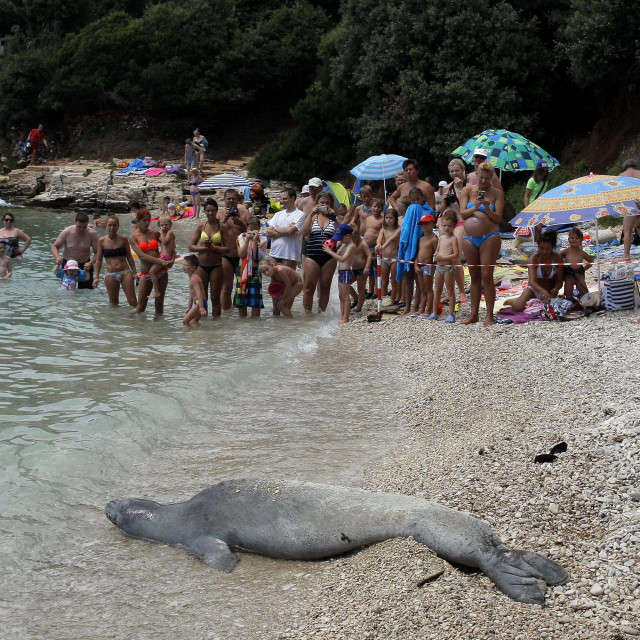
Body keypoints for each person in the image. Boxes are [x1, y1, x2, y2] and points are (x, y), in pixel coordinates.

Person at [459, 162, 505, 325]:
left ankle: (489, 315)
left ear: (491, 177)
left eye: (487, 177)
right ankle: (474, 313)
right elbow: (463, 214)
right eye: (481, 177)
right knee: (474, 277)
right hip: (469, 238)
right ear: (476, 175)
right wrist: (476, 207)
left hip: (489, 236)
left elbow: (498, 218)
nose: (484, 180)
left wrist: (487, 207)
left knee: (487, 275)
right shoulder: (467, 190)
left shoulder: (497, 193)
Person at [504, 230, 564, 310]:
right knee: (517, 307)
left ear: (553, 248)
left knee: (546, 308)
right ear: (538, 246)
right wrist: (543, 291)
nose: (544, 252)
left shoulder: (557, 258)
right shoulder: (534, 258)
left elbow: (560, 280)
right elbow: (532, 282)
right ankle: (514, 301)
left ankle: (524, 299)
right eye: (541, 248)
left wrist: (556, 288)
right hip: (534, 289)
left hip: (550, 290)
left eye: (547, 249)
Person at [396, 187, 433, 314]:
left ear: (423, 197)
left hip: (421, 247)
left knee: (420, 281)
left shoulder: (428, 211)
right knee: (408, 278)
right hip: (410, 247)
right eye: (413, 201)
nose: (416, 203)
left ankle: (416, 306)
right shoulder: (411, 210)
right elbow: (406, 227)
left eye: (418, 199)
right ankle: (407, 306)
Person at [190, 198, 228, 319]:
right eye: (208, 211)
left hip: (216, 265)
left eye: (212, 211)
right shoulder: (201, 226)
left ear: (217, 211)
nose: (210, 213)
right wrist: (204, 248)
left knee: (215, 298)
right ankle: (204, 325)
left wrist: (214, 248)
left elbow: (227, 249)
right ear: (204, 211)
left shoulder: (222, 227)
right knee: (202, 297)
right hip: (201, 265)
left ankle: (216, 325)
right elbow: (191, 246)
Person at [301, 191, 337, 313]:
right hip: (312, 254)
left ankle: (321, 314)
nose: (324, 205)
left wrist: (334, 216)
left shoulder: (333, 219)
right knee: (308, 288)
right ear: (317, 203)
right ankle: (308, 315)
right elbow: (304, 232)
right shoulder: (312, 217)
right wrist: (311, 213)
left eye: (327, 203)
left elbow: (343, 233)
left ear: (331, 204)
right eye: (322, 202)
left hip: (329, 257)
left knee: (325, 287)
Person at [129, 209, 170, 314]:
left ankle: (158, 330)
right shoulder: (133, 237)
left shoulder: (154, 233)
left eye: (148, 220)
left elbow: (167, 245)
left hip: (161, 272)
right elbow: (142, 256)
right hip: (146, 274)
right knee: (140, 307)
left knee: (159, 306)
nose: (147, 222)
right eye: (144, 220)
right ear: (138, 222)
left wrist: (171, 259)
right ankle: (130, 324)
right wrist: (159, 261)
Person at [440, 158, 468, 304]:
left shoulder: (468, 186)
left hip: (460, 221)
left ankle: (462, 291)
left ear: (463, 170)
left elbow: (467, 205)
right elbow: (441, 210)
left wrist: (459, 190)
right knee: (445, 257)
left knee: (455, 257)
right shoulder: (447, 187)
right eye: (452, 171)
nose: (454, 173)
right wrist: (445, 200)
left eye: (457, 170)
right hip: (447, 221)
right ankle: (451, 292)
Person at [93, 214, 137, 306]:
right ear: (106, 226)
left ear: (118, 226)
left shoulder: (123, 239)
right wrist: (96, 277)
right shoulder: (101, 241)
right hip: (111, 274)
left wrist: (135, 272)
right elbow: (99, 260)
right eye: (110, 225)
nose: (112, 228)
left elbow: (129, 257)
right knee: (113, 303)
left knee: (132, 301)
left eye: (114, 225)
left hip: (125, 272)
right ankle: (114, 320)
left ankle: (136, 320)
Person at [51, 212, 99, 289]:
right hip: (68, 265)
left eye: (84, 227)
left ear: (87, 224)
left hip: (85, 265)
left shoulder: (92, 234)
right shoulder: (67, 232)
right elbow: (54, 246)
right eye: (79, 227)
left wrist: (90, 263)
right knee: (67, 289)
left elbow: (98, 253)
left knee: (87, 290)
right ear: (75, 222)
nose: (81, 229)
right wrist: (57, 257)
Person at [219, 189, 249, 310]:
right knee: (226, 288)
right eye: (228, 198)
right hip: (226, 255)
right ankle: (226, 317)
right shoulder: (219, 214)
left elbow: (253, 231)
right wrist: (225, 219)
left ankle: (240, 317)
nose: (231, 201)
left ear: (238, 200)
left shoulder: (245, 214)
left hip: (242, 255)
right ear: (224, 200)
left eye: (233, 199)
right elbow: (214, 231)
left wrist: (240, 222)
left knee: (242, 288)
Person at [322, 224, 356, 324]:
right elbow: (337, 253)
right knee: (341, 296)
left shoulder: (351, 246)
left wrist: (329, 252)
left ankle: (346, 317)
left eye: (341, 237)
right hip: (341, 272)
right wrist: (329, 246)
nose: (340, 239)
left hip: (346, 272)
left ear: (348, 235)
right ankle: (342, 315)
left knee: (345, 296)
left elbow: (342, 258)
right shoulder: (344, 244)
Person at [430, 210, 460, 323]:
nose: (446, 228)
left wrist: (442, 257)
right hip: (439, 267)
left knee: (450, 291)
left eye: (449, 226)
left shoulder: (453, 238)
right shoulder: (441, 238)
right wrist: (436, 255)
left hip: (448, 267)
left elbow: (456, 254)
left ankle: (451, 314)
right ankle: (434, 312)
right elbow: (437, 251)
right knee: (437, 290)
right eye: (444, 225)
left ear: (454, 226)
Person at [235, 216, 266, 318]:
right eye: (250, 229)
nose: (252, 231)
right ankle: (242, 323)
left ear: (259, 229)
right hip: (242, 269)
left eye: (254, 229)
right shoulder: (241, 238)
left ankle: (254, 325)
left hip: (255, 270)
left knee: (255, 301)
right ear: (246, 227)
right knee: (241, 300)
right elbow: (241, 255)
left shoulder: (263, 240)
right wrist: (248, 240)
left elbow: (256, 258)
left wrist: (255, 241)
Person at [266, 188, 305, 267]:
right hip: (274, 252)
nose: (282, 201)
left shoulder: (300, 215)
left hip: (290, 254)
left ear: (293, 198)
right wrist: (287, 229)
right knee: (274, 278)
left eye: (285, 199)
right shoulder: (278, 214)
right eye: (282, 199)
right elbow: (268, 232)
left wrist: (276, 228)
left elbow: (290, 231)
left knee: (287, 278)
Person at [376, 208, 400, 303]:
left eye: (391, 218)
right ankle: (383, 299)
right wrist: (378, 244)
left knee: (394, 280)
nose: (388, 220)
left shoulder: (398, 229)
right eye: (386, 218)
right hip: (385, 258)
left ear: (395, 219)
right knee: (384, 280)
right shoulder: (383, 229)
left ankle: (393, 300)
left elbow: (391, 240)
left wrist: (382, 247)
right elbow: (379, 239)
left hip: (394, 257)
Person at [415, 214, 438, 316]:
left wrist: (434, 264)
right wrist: (415, 265)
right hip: (420, 265)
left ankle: (428, 309)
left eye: (426, 223)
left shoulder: (434, 239)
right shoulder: (421, 239)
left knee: (428, 289)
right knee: (422, 288)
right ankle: (422, 309)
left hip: (428, 265)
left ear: (433, 224)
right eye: (422, 224)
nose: (423, 226)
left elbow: (437, 253)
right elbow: (417, 253)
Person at [148, 215, 176, 299]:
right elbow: (174, 249)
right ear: (159, 225)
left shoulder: (169, 233)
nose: (164, 226)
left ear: (170, 225)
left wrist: (160, 232)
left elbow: (165, 242)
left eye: (166, 225)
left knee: (151, 272)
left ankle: (156, 291)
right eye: (162, 225)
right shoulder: (164, 234)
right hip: (163, 256)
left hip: (165, 257)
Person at [363, 198, 385, 298]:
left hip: (375, 247)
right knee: (369, 270)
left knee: (376, 270)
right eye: (374, 206)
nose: (376, 208)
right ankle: (370, 290)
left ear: (382, 208)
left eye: (378, 207)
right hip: (366, 246)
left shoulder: (383, 219)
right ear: (371, 207)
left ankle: (377, 291)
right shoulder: (367, 218)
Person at [561, 227, 592, 298]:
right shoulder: (565, 251)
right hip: (568, 276)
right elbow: (558, 260)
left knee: (586, 296)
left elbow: (590, 262)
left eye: (577, 238)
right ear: (568, 240)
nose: (574, 240)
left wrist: (583, 269)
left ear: (581, 240)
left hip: (579, 276)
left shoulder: (582, 253)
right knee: (568, 296)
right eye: (572, 238)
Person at [619, 161, 640, 260]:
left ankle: (626, 255)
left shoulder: (621, 176)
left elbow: (618, 193)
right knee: (639, 227)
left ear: (624, 167)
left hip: (631, 204)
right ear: (634, 166)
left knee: (627, 230)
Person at [182, 254, 208, 326]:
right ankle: (196, 335)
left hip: (200, 303)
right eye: (183, 264)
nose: (183, 266)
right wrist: (189, 307)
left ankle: (189, 335)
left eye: (186, 265)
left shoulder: (194, 278)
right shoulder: (191, 277)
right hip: (198, 303)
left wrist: (201, 307)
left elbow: (198, 292)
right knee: (194, 322)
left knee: (185, 321)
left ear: (193, 268)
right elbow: (191, 293)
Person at [350, 231, 372, 312]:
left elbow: (369, 255)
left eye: (352, 238)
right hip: (354, 269)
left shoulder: (363, 243)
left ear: (356, 235)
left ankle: (359, 307)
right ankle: (356, 298)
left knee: (361, 288)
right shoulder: (353, 243)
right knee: (346, 283)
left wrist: (367, 267)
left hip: (362, 269)